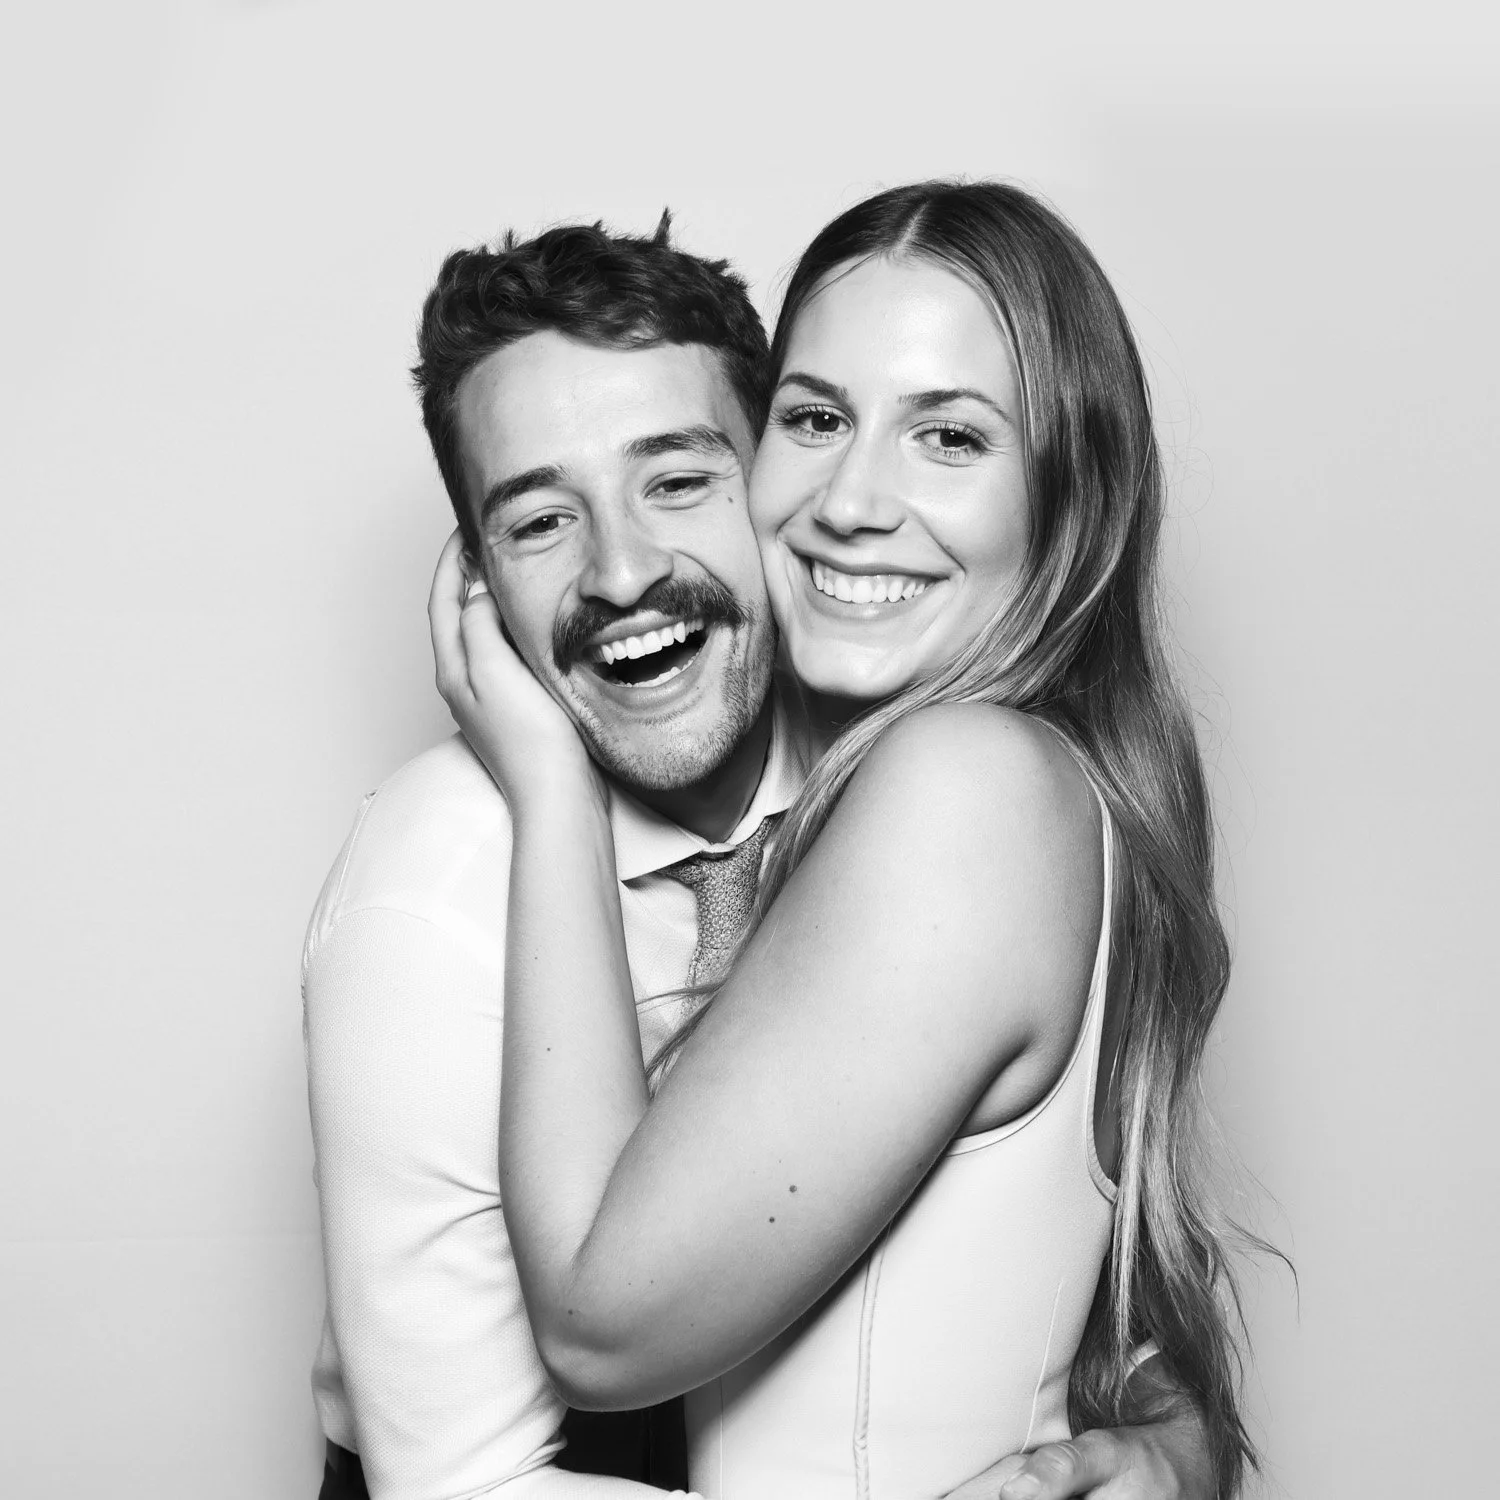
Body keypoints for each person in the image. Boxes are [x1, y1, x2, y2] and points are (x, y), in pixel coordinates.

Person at [304, 212, 1214, 1498]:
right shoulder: (435, 891)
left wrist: (1173, 1439)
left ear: (753, 478)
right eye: (540, 521)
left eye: (678, 482)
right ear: (476, 581)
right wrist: (553, 797)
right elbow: (467, 1484)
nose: (624, 573)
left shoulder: (910, 778)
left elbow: (1042, 1244)